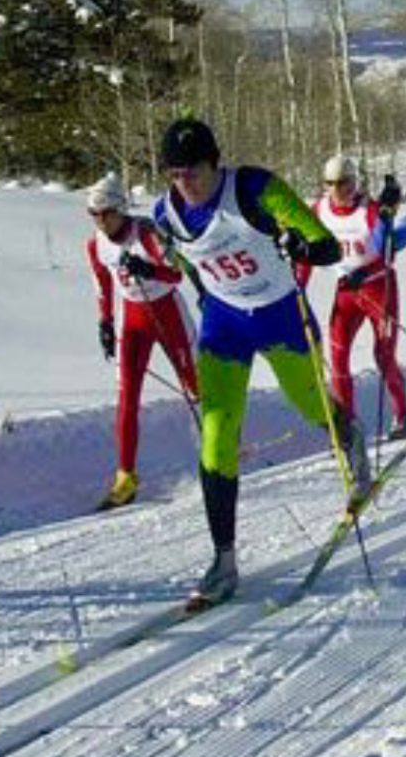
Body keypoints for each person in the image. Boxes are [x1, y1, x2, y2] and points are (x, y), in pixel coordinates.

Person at [153, 117, 371, 608]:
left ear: (215, 163)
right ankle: (223, 559)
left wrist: (299, 244)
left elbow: (325, 244)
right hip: (225, 324)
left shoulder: (254, 188)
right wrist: (203, 292)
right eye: (174, 173)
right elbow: (187, 264)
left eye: (192, 171)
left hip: (280, 317)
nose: (183, 182)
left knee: (310, 404)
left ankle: (347, 433)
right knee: (216, 435)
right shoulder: (165, 214)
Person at [84, 172, 199, 509]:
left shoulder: (146, 234)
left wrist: (149, 270)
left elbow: (177, 274)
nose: (101, 221)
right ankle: (125, 477)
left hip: (167, 312)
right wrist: (105, 322)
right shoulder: (96, 244)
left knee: (194, 384)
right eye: (94, 215)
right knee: (127, 395)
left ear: (121, 208)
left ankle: (221, 446)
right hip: (132, 317)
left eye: (106, 213)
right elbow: (102, 283)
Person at [296, 155, 406, 440]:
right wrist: (299, 289)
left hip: (379, 289)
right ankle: (348, 428)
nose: (336, 190)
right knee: (338, 358)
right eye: (329, 183)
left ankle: (403, 414)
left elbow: (385, 252)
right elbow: (306, 253)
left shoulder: (368, 210)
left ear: (354, 182)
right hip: (346, 291)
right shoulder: (319, 209)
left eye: (343, 183)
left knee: (383, 357)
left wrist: (385, 217)